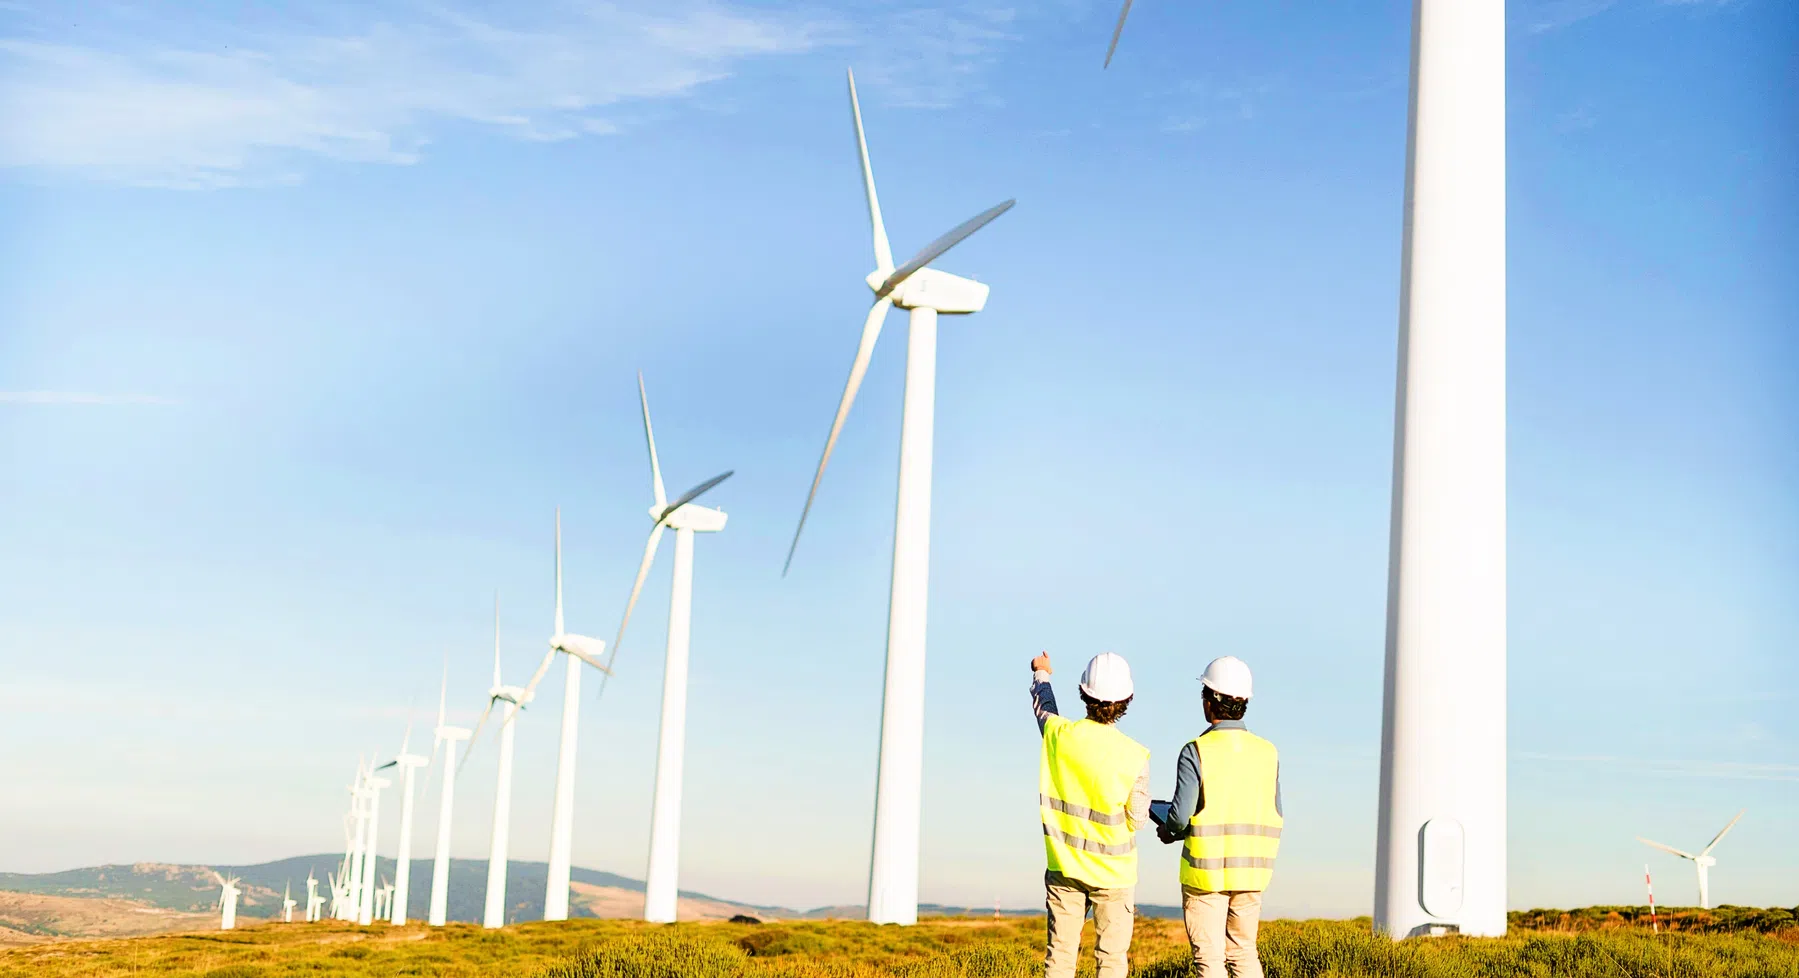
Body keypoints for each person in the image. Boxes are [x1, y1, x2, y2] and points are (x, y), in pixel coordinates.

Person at [1152, 655, 1282, 978]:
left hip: (1205, 877)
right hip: (1252, 875)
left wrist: (1168, 829)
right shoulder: (1268, 753)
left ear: (1210, 702)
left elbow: (1180, 817)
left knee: (1210, 959)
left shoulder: (1196, 751)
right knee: (1244, 952)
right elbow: (1275, 811)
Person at [1031, 651, 1151, 978]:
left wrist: (1042, 675)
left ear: (1083, 692)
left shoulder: (1060, 736)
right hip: (1114, 875)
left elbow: (1044, 710)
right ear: (1127, 699)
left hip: (1065, 866)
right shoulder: (1135, 756)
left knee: (1061, 957)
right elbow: (1138, 818)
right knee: (1111, 960)